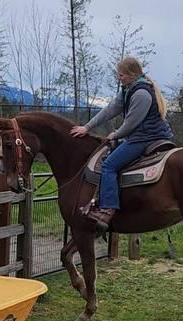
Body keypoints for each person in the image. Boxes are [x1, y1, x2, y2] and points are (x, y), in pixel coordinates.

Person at [70, 56, 173, 231]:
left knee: (109, 165)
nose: (119, 78)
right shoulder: (129, 90)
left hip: (146, 137)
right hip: (143, 134)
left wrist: (115, 134)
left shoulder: (141, 94)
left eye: (121, 75)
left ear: (131, 74)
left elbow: (131, 123)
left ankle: (107, 209)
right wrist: (87, 127)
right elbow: (109, 110)